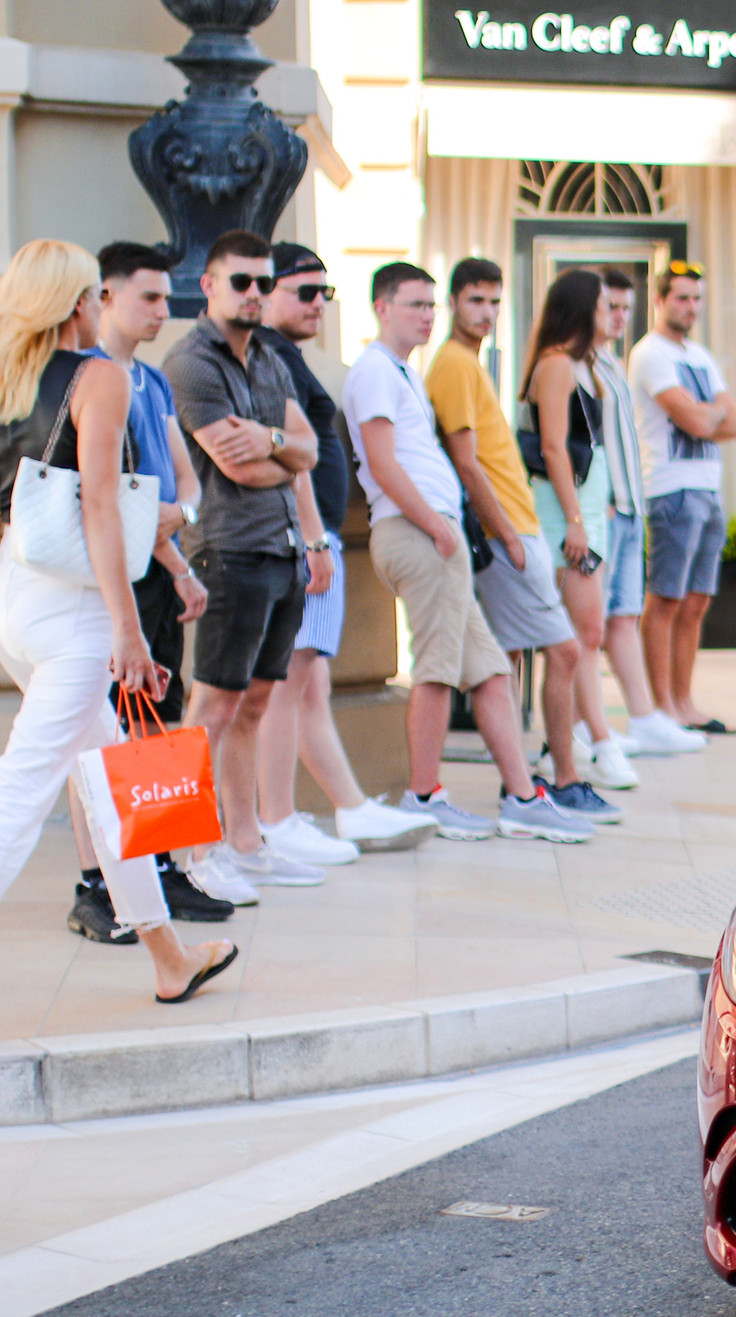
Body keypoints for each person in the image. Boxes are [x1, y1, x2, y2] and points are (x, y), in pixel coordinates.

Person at [0, 239, 239, 1047]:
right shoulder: (96, 378)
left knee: (110, 781)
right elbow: (101, 507)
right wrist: (127, 627)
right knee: (16, 799)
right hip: (75, 608)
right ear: (76, 301)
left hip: (13, 601)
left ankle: (169, 956)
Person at [341, 262, 593, 845]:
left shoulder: (401, 372)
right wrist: (437, 524)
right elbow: (382, 463)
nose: (426, 315)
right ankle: (425, 794)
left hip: (436, 534)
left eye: (430, 305)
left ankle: (524, 797)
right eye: (414, 305)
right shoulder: (375, 370)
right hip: (419, 533)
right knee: (436, 668)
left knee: (488, 670)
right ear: (381, 307)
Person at [162, 228, 336, 906]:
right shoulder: (191, 361)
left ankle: (243, 841)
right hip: (228, 549)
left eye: (265, 282)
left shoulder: (268, 354)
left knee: (256, 702)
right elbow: (230, 462)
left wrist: (271, 441)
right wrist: (280, 451)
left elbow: (309, 449)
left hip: (282, 548)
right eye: (243, 281)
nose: (257, 293)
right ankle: (190, 855)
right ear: (209, 285)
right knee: (212, 705)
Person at [64, 241, 231, 945]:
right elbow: (116, 502)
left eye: (167, 298)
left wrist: (180, 530)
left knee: (152, 720)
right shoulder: (93, 379)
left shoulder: (154, 384)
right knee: (99, 732)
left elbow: (180, 483)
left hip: (158, 575)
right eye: (151, 297)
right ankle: (96, 884)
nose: (165, 310)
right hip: (114, 579)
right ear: (105, 297)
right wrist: (173, 550)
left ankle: (158, 864)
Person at [252, 242, 438, 863]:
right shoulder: (271, 356)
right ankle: (275, 820)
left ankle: (349, 806)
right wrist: (312, 539)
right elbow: (290, 456)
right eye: (304, 292)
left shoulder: (288, 357)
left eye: (324, 294)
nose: (316, 306)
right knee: (288, 681)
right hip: (305, 540)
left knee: (308, 683)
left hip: (317, 536)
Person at [428, 258, 616, 826]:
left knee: (509, 662)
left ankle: (528, 786)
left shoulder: (470, 363)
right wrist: (507, 534)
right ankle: (560, 780)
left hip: (522, 527)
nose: (486, 313)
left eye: (494, 302)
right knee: (562, 651)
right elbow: (467, 462)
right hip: (512, 532)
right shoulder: (454, 365)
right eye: (475, 301)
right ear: (454, 303)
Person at [521, 267, 637, 805]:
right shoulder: (557, 365)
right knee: (583, 633)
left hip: (589, 509)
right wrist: (573, 519)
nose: (608, 313)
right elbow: (552, 447)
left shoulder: (586, 366)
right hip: (566, 515)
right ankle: (597, 736)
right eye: (600, 306)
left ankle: (567, 739)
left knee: (582, 633)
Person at [630, 260, 736, 738]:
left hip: (708, 489)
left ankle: (685, 703)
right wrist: (707, 414)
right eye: (681, 298)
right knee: (667, 600)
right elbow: (700, 424)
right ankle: (662, 709)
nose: (690, 307)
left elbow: (734, 425)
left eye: (696, 298)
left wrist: (705, 413)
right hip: (671, 489)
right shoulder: (651, 354)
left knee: (696, 602)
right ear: (660, 301)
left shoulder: (700, 355)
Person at [588, 269, 689, 756]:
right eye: (611, 306)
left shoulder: (612, 362)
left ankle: (644, 718)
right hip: (603, 512)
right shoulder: (575, 365)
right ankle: (587, 727)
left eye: (627, 308)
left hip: (630, 507)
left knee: (623, 617)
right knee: (588, 629)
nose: (620, 317)